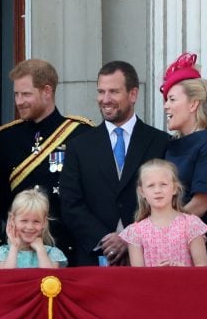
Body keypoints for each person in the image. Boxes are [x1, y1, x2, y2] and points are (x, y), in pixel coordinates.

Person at [61, 61, 170, 266]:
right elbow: (70, 203)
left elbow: (167, 200)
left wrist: (130, 236)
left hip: (150, 257)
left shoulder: (160, 142)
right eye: (101, 92)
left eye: (113, 92)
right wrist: (104, 239)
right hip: (93, 258)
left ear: (133, 94)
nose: (105, 99)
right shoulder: (79, 146)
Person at [0, 59, 92, 266]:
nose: (19, 101)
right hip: (19, 247)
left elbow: (88, 196)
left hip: (65, 245)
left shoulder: (81, 134)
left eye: (26, 94)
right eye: (16, 94)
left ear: (47, 91)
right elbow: (2, 200)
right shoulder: (6, 137)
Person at [122, 159, 207, 266]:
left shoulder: (191, 224)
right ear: (142, 192)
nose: (157, 190)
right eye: (151, 185)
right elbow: (138, 276)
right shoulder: (135, 232)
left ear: (175, 188)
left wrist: (184, 270)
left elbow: (202, 269)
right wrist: (158, 274)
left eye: (163, 184)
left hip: (186, 282)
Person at [160, 52, 207, 223]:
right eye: (166, 100)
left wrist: (163, 229)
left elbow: (201, 203)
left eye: (172, 99)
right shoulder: (170, 144)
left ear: (193, 104)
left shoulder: (204, 142)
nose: (166, 106)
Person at [0, 188, 67, 269]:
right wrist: (14, 247)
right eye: (24, 220)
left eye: (36, 221)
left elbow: (50, 278)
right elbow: (6, 278)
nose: (30, 227)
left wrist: (40, 250)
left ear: (44, 223)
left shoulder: (52, 254)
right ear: (12, 220)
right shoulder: (3, 253)